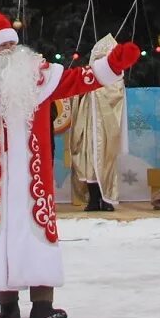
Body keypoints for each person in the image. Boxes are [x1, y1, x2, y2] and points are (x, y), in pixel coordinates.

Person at [0, 10, 140, 318]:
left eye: (10, 46)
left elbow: (77, 79)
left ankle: (42, 304)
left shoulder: (40, 75)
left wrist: (113, 65)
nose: (7, 53)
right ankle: (7, 305)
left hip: (31, 177)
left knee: (36, 231)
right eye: (0, 48)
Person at [65, 35, 126, 212]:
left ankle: (106, 199)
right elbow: (78, 92)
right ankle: (93, 199)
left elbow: (116, 95)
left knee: (105, 163)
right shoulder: (87, 75)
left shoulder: (115, 79)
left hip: (105, 129)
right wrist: (86, 91)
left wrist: (95, 91)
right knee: (88, 163)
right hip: (88, 126)